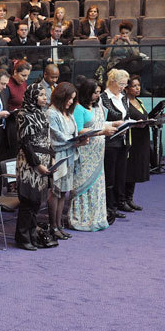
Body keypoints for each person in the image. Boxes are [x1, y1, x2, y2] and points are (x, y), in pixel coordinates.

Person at [68, 78, 116, 231]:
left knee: (97, 184)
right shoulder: (78, 109)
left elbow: (101, 123)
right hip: (85, 151)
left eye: (99, 92)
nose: (98, 95)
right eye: (95, 93)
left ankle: (97, 217)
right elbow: (79, 130)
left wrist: (116, 124)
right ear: (87, 92)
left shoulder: (97, 107)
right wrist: (102, 131)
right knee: (83, 184)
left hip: (98, 152)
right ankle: (82, 218)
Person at [14, 84, 52, 250]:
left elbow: (47, 139)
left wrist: (50, 159)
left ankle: (32, 234)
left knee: (36, 202)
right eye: (41, 95)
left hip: (43, 159)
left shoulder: (41, 114)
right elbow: (25, 143)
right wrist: (37, 165)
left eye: (45, 94)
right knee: (28, 201)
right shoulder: (23, 114)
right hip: (30, 163)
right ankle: (22, 238)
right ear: (32, 96)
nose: (45, 97)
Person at [47, 82, 84, 240]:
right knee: (55, 192)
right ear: (61, 96)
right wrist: (75, 141)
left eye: (73, 99)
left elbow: (73, 132)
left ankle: (59, 225)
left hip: (70, 155)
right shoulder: (51, 113)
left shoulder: (68, 113)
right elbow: (55, 138)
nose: (71, 101)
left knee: (64, 192)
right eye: (69, 98)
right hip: (58, 156)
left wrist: (79, 140)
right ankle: (53, 226)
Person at [101, 69, 131, 223]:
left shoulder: (123, 96)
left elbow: (126, 116)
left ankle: (119, 202)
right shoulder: (103, 98)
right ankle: (109, 206)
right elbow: (98, 122)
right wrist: (113, 123)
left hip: (123, 140)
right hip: (109, 141)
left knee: (120, 173)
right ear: (112, 82)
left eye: (125, 84)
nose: (123, 87)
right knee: (110, 175)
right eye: (121, 84)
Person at [124, 75, 150, 211]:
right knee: (129, 169)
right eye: (134, 86)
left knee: (136, 170)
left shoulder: (139, 101)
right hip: (131, 140)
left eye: (139, 85)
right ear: (127, 88)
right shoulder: (124, 102)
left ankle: (130, 198)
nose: (137, 88)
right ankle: (122, 200)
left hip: (142, 140)